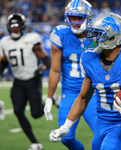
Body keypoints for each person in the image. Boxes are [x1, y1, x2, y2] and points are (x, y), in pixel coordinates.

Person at [48, 12, 121, 150]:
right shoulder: (89, 59)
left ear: (113, 37)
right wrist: (66, 126)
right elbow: (83, 98)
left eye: (98, 34)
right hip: (101, 122)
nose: (93, 37)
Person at [43, 0, 97, 149]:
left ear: (88, 18)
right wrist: (49, 98)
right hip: (70, 92)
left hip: (94, 93)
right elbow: (54, 70)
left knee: (101, 134)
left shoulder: (97, 35)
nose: (76, 22)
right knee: (65, 138)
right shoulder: (61, 34)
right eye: (72, 18)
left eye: (79, 18)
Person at [0, 13, 51, 150]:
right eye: (12, 26)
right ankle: (35, 143)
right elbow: (4, 62)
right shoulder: (5, 42)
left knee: (35, 114)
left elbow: (46, 60)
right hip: (18, 82)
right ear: (8, 27)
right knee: (17, 111)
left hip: (33, 80)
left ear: (22, 27)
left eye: (17, 26)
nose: (15, 29)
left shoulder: (32, 39)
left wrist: (42, 69)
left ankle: (52, 100)